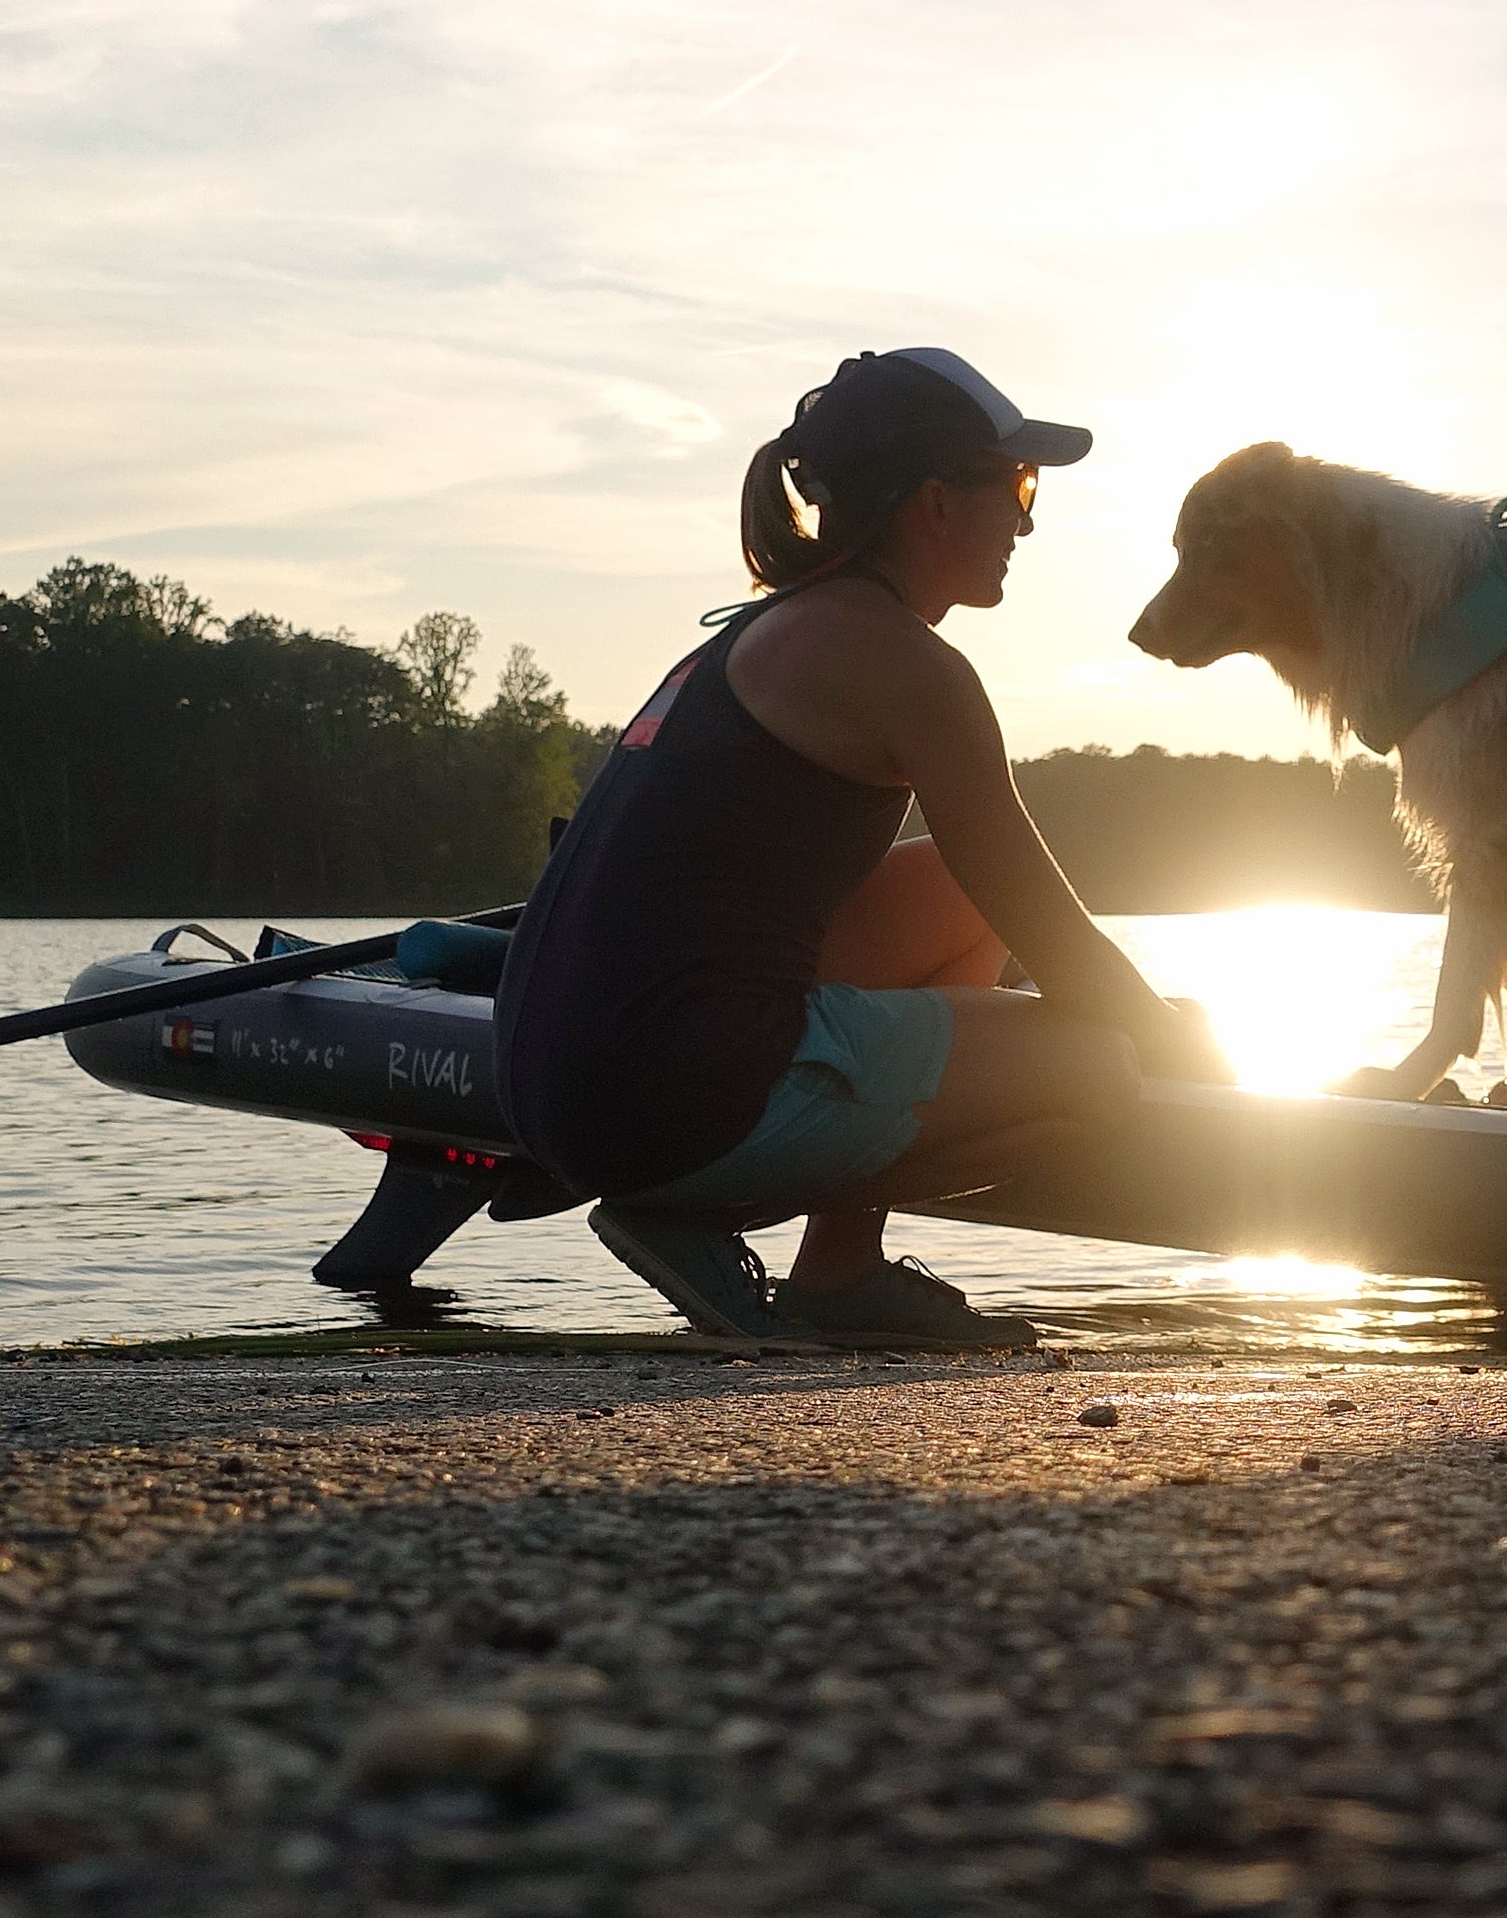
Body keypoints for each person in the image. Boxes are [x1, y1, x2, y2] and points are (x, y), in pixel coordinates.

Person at [492, 347, 1222, 1348]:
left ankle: (839, 1270)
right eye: (1017, 486)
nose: (1024, 522)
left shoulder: (772, 631)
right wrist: (1191, 1049)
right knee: (1104, 1067)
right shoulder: (911, 670)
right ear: (935, 503)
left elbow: (993, 898)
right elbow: (1053, 939)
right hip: (674, 1106)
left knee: (957, 893)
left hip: (560, 1084)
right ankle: (697, 1212)